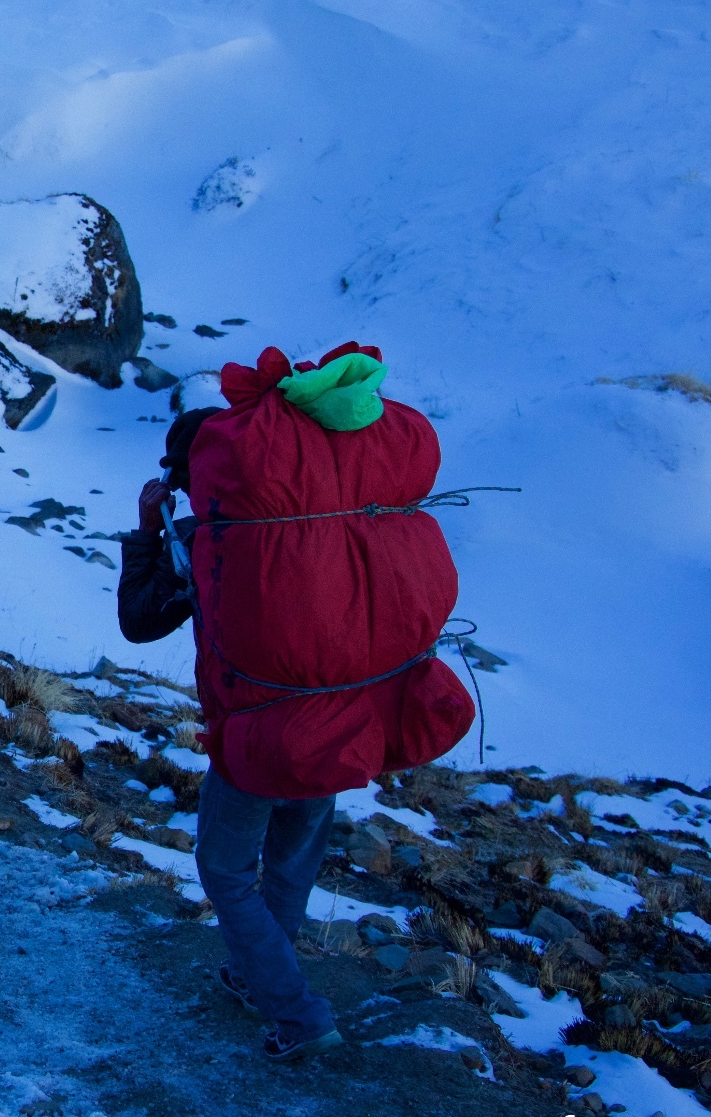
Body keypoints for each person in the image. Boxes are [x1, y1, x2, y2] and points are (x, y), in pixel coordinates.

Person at [118, 342, 474, 1061]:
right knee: (288, 863)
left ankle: (298, 1014)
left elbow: (139, 620)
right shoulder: (318, 531)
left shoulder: (214, 543)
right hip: (345, 718)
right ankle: (262, 979)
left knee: (224, 869)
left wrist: (150, 531)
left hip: (259, 736)